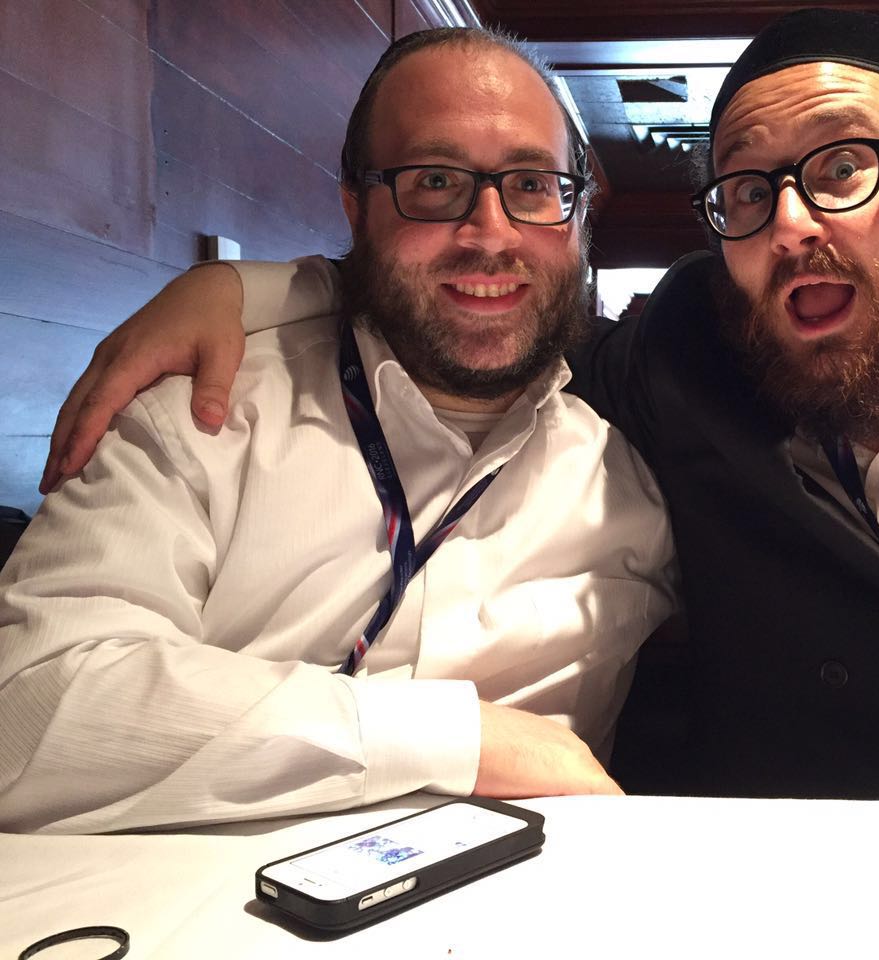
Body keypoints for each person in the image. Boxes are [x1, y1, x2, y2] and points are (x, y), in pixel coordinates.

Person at [36, 10, 879, 804]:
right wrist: (256, 284)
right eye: (743, 191)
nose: (788, 222)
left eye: (843, 166)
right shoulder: (681, 363)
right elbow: (486, 309)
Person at [0, 27, 677, 834]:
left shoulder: (630, 482)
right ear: (357, 207)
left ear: (577, 214)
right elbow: (27, 713)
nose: (491, 232)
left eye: (532, 185)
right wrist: (461, 740)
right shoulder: (201, 418)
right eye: (435, 181)